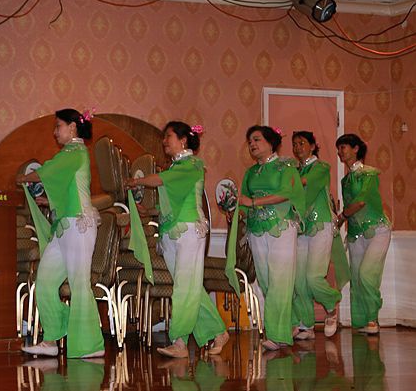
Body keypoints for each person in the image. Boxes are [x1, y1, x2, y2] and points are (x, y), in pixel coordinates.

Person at [126, 122, 229, 358]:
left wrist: (137, 181)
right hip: (172, 232)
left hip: (189, 230)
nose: (164, 141)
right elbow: (168, 205)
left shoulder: (193, 164)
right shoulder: (174, 168)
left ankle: (180, 341)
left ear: (183, 140)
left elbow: (161, 180)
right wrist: (149, 212)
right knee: (190, 287)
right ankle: (218, 331)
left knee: (184, 287)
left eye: (168, 136)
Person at [18, 109, 104, 359]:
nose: (55, 132)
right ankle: (52, 338)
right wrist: (49, 201)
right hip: (64, 228)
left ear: (73, 127)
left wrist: (23, 178)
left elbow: (48, 171)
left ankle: (91, 345)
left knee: (79, 285)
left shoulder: (76, 152)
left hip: (79, 226)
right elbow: (66, 187)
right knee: (44, 282)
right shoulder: (69, 154)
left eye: (58, 126)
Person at [238, 125, 305, 351]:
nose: (252, 144)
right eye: (250, 141)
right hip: (257, 228)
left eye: (257, 139)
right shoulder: (250, 172)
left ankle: (277, 335)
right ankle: (292, 323)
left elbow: (287, 193)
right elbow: (244, 200)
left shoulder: (286, 167)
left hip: (282, 226)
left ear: (271, 142)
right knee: (266, 281)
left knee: (280, 280)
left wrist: (253, 202)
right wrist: (238, 211)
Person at [336, 133, 390, 335]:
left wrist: (341, 217)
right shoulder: (345, 180)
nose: (340, 152)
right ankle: (361, 321)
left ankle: (373, 319)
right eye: (338, 148)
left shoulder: (369, 174)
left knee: (367, 274)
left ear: (356, 148)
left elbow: (360, 202)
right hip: (355, 233)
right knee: (357, 277)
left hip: (377, 229)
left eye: (343, 147)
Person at [291, 131, 341, 340]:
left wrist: (283, 184)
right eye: (294, 144)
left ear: (312, 146)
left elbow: (303, 183)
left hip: (321, 225)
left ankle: (331, 306)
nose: (297, 148)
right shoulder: (295, 170)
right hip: (301, 227)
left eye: (302, 143)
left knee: (313, 277)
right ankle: (306, 325)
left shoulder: (321, 167)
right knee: (299, 280)